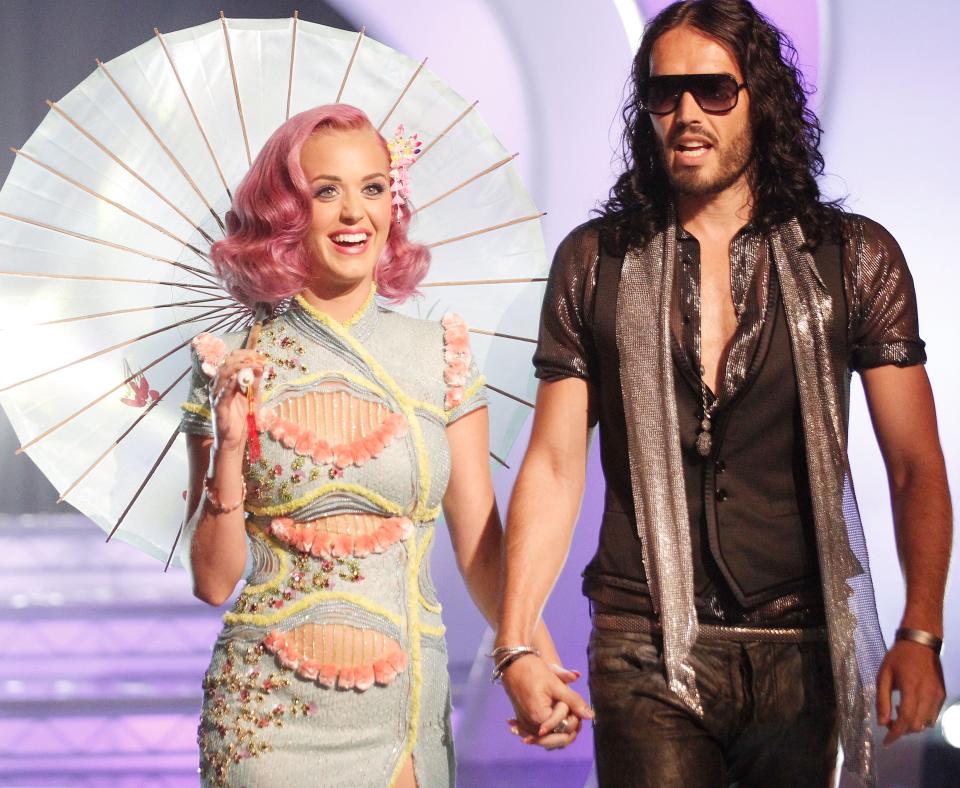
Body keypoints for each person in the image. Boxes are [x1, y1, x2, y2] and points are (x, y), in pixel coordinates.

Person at [495, 1, 951, 785]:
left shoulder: (854, 257)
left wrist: (921, 632)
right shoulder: (596, 261)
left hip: (802, 641)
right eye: (664, 94)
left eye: (712, 89)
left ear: (759, 97)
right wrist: (516, 639)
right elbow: (555, 465)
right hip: (643, 637)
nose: (685, 114)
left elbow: (914, 465)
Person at [178, 104, 577, 787]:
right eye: (325, 191)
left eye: (372, 187)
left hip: (403, 712)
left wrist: (527, 654)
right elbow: (214, 582)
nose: (354, 212)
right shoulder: (232, 361)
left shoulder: (439, 352)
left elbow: (480, 539)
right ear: (285, 212)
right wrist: (232, 446)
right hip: (265, 721)